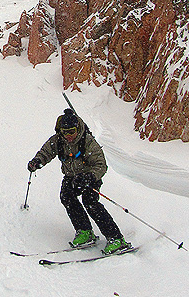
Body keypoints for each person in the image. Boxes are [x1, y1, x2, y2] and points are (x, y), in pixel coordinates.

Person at [27, 107, 131, 254]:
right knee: (66, 197)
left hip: (89, 177)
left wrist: (89, 177)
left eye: (72, 131)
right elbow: (46, 152)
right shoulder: (58, 140)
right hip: (71, 176)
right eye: (65, 132)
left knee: (90, 202)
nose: (69, 136)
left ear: (77, 128)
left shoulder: (87, 141)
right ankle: (85, 231)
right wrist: (37, 161)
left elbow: (101, 165)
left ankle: (116, 239)